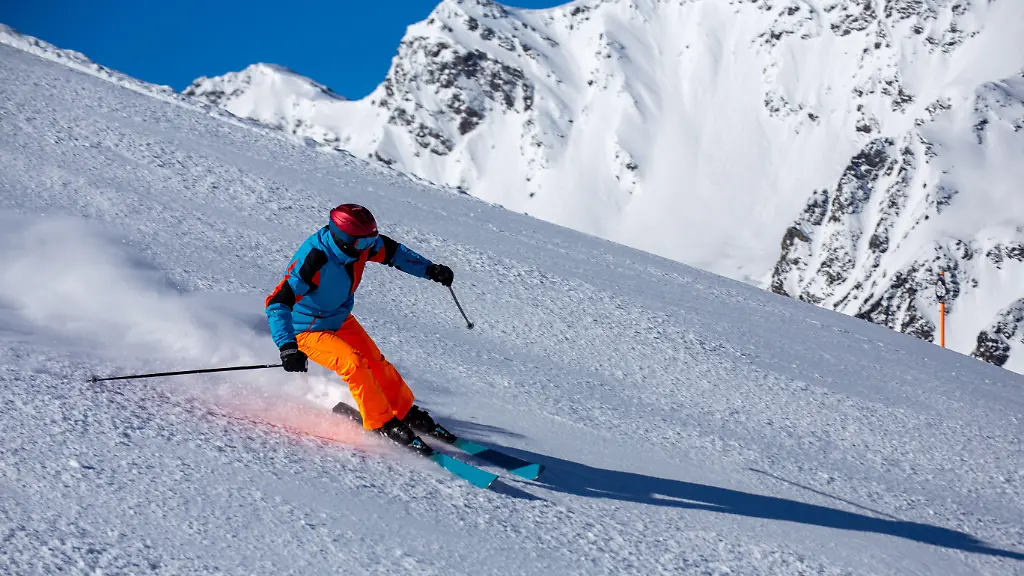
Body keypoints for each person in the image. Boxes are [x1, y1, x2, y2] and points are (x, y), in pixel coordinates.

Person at [265, 203, 455, 455]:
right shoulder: (314, 258)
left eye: (371, 241)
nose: (369, 248)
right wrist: (288, 347)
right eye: (363, 244)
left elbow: (394, 253)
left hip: (339, 317)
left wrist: (430, 270)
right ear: (342, 238)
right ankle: (382, 422)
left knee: (375, 362)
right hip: (306, 328)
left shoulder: (360, 245)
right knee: (354, 363)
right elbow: (277, 304)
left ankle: (404, 411)